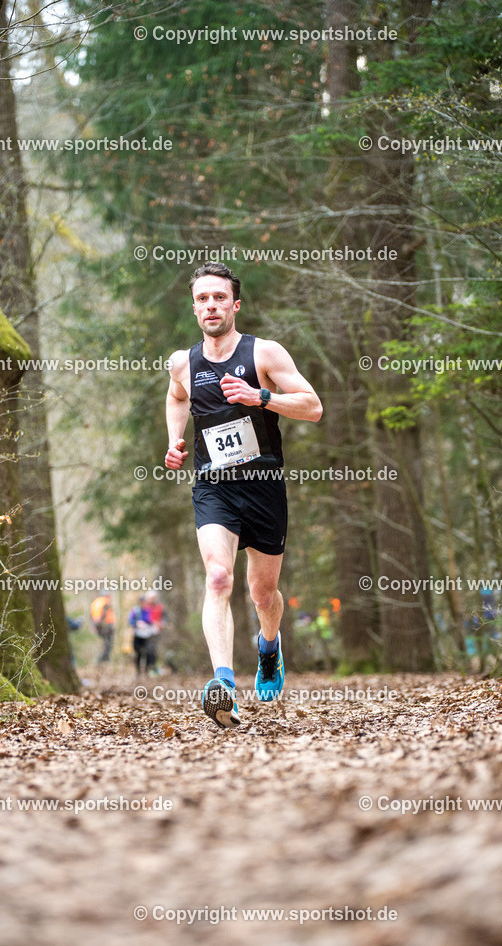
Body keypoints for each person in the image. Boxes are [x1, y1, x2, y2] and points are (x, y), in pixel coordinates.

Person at [164, 261, 322, 728]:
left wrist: (262, 399)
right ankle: (224, 685)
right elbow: (176, 398)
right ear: (194, 308)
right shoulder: (183, 363)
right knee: (217, 578)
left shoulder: (265, 354)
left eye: (218, 298)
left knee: (262, 591)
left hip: (265, 485)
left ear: (235, 304)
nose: (210, 306)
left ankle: (269, 648)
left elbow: (313, 407)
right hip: (213, 485)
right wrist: (175, 440)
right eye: (201, 299)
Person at [128, 595, 156, 675]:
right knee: (138, 653)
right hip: (137, 635)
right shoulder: (135, 610)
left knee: (148, 653)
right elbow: (130, 621)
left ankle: (147, 670)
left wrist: (150, 625)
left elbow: (151, 621)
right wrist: (137, 624)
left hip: (147, 635)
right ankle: (138, 671)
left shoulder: (149, 611)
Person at [143, 589, 166, 674]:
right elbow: (143, 618)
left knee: (154, 650)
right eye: (150, 598)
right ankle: (146, 668)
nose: (151, 600)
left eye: (153, 598)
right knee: (146, 650)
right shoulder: (144, 607)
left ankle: (153, 668)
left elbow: (164, 617)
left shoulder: (160, 606)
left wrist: (162, 624)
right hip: (145, 631)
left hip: (156, 631)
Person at [90, 592, 115, 664]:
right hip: (106, 625)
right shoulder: (105, 602)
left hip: (99, 626)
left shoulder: (95, 602)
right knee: (108, 644)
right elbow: (103, 614)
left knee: (104, 644)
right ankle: (103, 660)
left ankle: (102, 660)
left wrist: (95, 626)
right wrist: (100, 624)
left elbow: (91, 615)